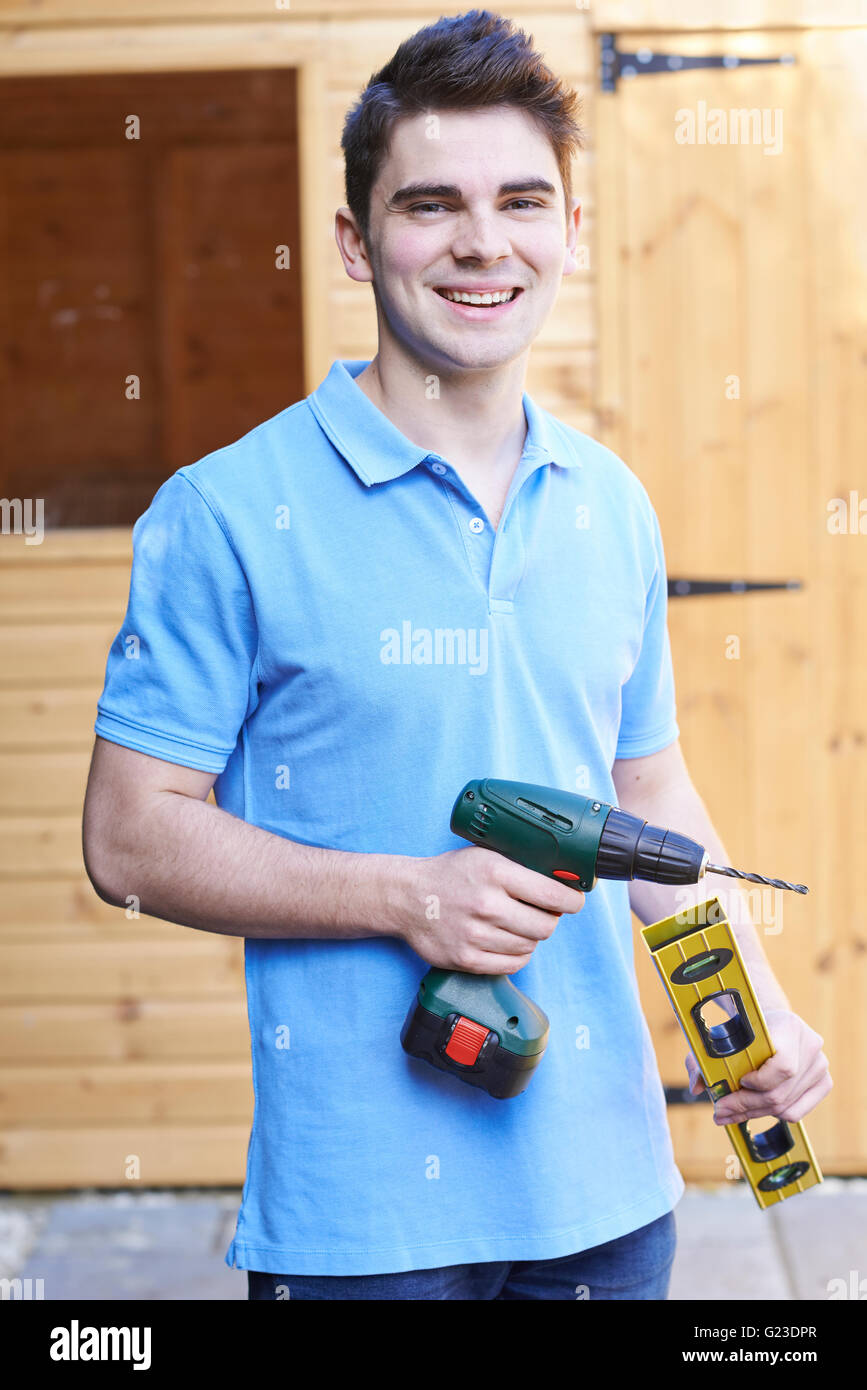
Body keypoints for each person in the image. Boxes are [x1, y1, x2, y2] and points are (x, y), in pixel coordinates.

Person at [82, 9, 831, 1301]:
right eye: (432, 205)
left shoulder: (612, 503)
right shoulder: (226, 511)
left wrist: (752, 1012)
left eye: (522, 200)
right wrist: (408, 896)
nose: (484, 241)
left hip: (610, 1199)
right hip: (360, 1225)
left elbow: (648, 796)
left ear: (571, 233)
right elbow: (128, 837)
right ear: (356, 242)